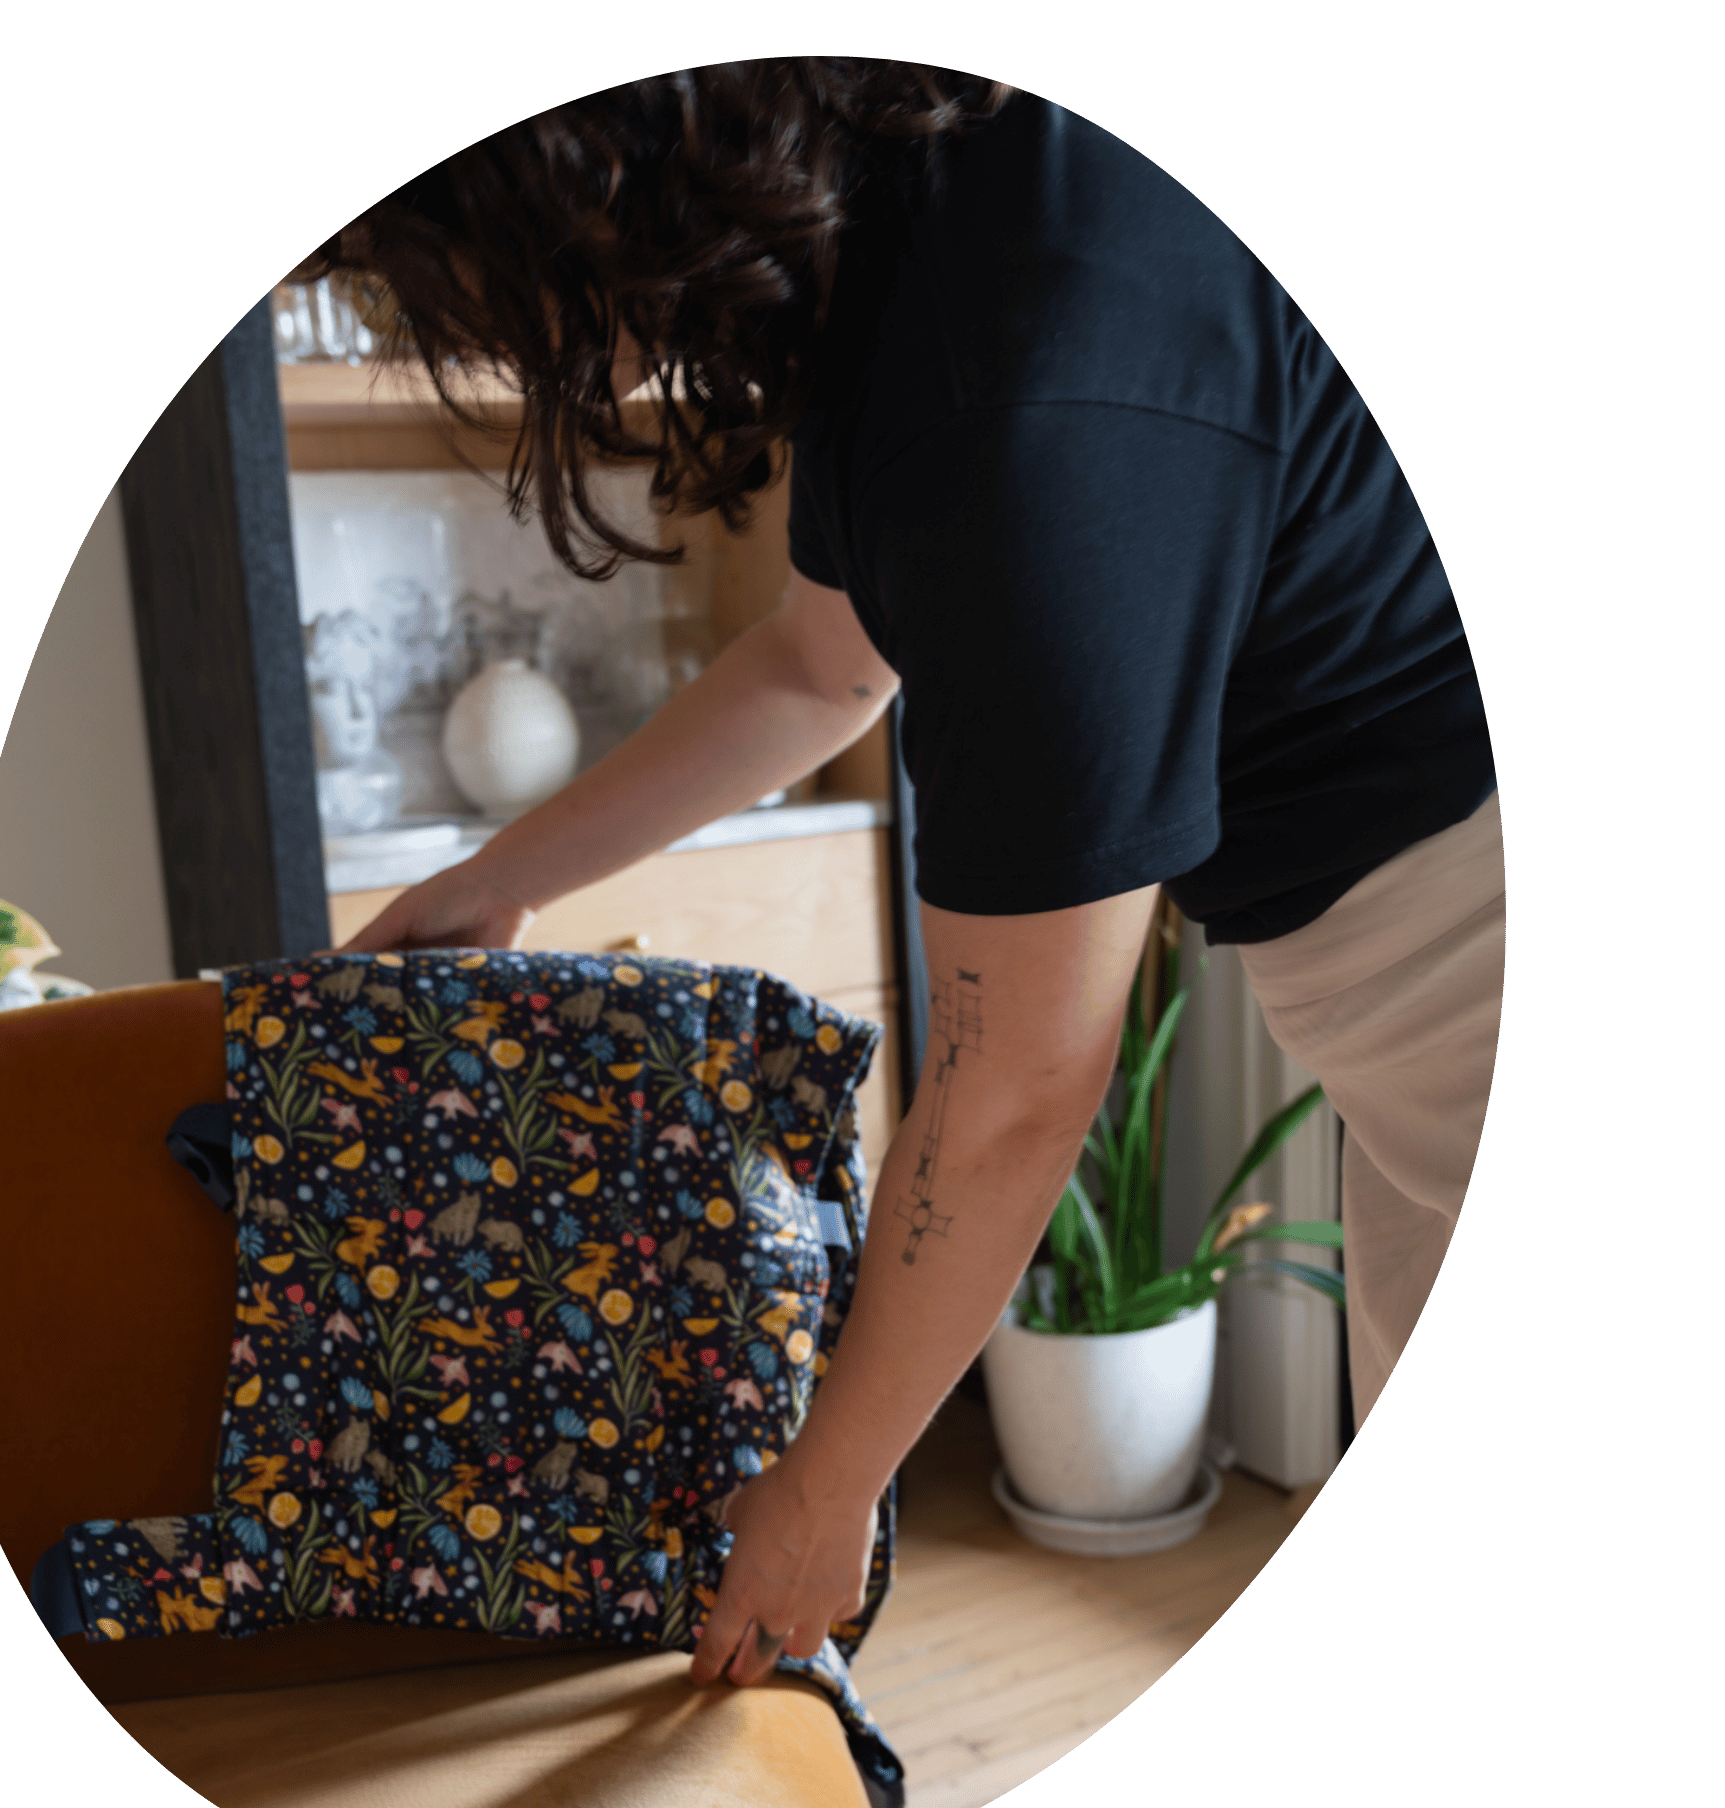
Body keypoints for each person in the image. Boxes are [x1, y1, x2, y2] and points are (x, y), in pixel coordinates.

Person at [299, 62, 1504, 1693]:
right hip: (1398, 1015)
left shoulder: (1013, 405)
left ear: (587, 208)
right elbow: (822, 666)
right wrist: (499, 880)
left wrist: (826, 1491)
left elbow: (1017, 1091)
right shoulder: (920, 215)